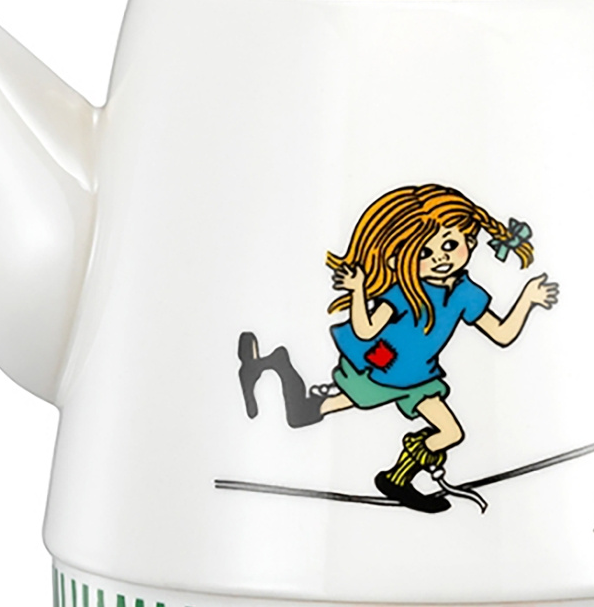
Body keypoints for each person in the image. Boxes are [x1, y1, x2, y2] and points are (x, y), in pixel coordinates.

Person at [238, 183, 559, 511]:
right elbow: (365, 330)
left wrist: (528, 299)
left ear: (470, 241)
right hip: (382, 367)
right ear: (397, 257)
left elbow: (502, 334)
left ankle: (393, 476)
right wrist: (358, 290)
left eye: (450, 245)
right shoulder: (402, 292)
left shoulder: (466, 293)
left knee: (448, 432)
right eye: (424, 252)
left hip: (418, 377)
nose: (440, 259)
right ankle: (284, 374)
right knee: (339, 406)